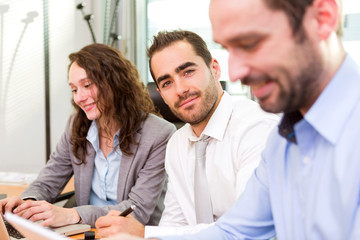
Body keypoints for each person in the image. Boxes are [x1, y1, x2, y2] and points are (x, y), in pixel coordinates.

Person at [101, 0, 360, 239]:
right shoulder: (283, 141)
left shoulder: (263, 129)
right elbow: (235, 231)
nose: (235, 72)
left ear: (323, 18)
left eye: (249, 43)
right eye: (229, 49)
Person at [95, 30, 278, 238]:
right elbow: (174, 222)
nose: (180, 89)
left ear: (214, 69)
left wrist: (144, 233)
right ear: (162, 95)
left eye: (187, 72)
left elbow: (246, 230)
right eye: (167, 83)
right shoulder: (177, 144)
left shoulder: (257, 128)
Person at [0, 43, 176, 228]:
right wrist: (27, 203)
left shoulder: (159, 134)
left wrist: (73, 214)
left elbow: (137, 209)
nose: (79, 97)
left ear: (115, 82)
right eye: (74, 89)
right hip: (85, 231)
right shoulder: (77, 126)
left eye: (87, 85)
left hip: (129, 234)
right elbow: (49, 178)